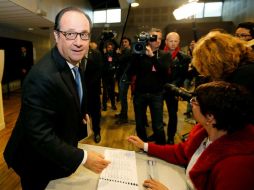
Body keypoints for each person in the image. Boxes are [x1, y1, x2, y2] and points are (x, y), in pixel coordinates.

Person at [4, 7, 110, 190]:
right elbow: (40, 135)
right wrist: (83, 157)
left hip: (56, 154)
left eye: (84, 34)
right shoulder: (42, 76)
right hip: (35, 162)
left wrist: (81, 115)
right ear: (56, 36)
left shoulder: (75, 62)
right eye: (70, 34)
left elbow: (70, 95)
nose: (78, 42)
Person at [128, 81, 254, 190]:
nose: (191, 103)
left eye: (195, 101)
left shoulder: (236, 167)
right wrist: (145, 146)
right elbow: (182, 152)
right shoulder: (204, 131)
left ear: (210, 117)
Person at [129, 28, 171, 145]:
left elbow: (163, 72)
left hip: (156, 94)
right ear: (148, 38)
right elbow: (132, 71)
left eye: (160, 39)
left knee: (158, 125)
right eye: (154, 38)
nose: (157, 41)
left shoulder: (165, 55)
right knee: (140, 123)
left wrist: (152, 56)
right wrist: (136, 55)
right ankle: (142, 146)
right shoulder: (140, 53)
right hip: (140, 94)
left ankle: (161, 148)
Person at [163, 32, 190, 144]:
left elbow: (183, 76)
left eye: (176, 41)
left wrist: (173, 87)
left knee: (173, 114)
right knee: (157, 113)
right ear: (166, 42)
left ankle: (170, 137)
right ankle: (158, 133)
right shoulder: (158, 55)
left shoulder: (184, 57)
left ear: (179, 42)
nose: (173, 43)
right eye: (171, 41)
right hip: (159, 88)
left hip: (173, 89)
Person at [82, 42, 103, 143]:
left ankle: (97, 132)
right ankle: (82, 132)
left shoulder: (96, 54)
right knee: (81, 112)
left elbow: (99, 72)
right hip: (79, 91)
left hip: (93, 90)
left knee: (95, 113)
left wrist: (86, 85)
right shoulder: (75, 54)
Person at [115, 37, 132, 124]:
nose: (124, 43)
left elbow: (120, 60)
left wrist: (118, 54)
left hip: (124, 77)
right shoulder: (125, 51)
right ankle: (122, 113)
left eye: (126, 42)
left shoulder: (129, 51)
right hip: (122, 75)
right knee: (122, 97)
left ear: (129, 43)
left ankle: (124, 117)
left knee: (123, 97)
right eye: (123, 42)